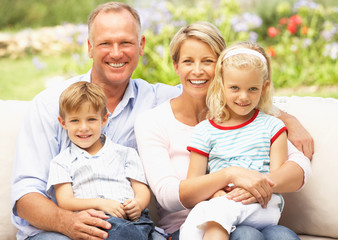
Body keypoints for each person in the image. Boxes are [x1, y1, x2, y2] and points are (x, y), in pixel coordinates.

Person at [11, 2, 312, 240]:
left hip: (125, 223)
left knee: (280, 235)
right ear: (89, 47)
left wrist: (287, 118)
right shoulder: (51, 105)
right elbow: (25, 192)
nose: (116, 53)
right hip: (59, 226)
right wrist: (68, 222)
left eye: (126, 43)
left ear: (141, 46)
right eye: (105, 43)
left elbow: (248, 102)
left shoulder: (158, 97)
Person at [134, 22, 311, 240]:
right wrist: (230, 174)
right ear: (175, 65)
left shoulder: (245, 112)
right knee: (247, 235)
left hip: (254, 213)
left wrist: (257, 185)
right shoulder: (152, 121)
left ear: (221, 67)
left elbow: (299, 165)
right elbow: (168, 196)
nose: (197, 70)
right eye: (188, 61)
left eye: (207, 61)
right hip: (190, 226)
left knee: (282, 235)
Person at [179, 42, 289, 240]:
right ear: (221, 85)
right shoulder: (204, 131)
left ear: (264, 88)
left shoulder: (273, 127)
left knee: (217, 211)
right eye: (235, 88)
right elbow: (193, 185)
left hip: (264, 205)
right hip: (223, 202)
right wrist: (215, 194)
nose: (243, 97)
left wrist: (253, 191)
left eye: (252, 89)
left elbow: (277, 179)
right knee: (200, 214)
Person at [47, 81, 154, 240]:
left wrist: (138, 204)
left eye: (91, 119)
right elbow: (65, 201)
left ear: (103, 120)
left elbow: (142, 189)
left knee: (135, 233)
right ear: (63, 123)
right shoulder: (62, 161)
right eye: (75, 121)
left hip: (132, 220)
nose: (83, 127)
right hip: (95, 222)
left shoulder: (125, 154)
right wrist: (99, 204)